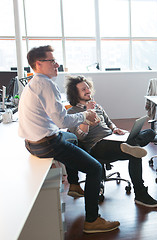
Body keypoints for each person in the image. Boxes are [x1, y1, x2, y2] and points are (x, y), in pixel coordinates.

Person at [18, 45, 120, 234]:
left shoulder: (33, 83)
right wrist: (85, 115)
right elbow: (61, 120)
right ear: (38, 64)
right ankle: (92, 220)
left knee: (72, 138)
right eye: (52, 61)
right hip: (47, 143)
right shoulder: (46, 84)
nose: (57, 64)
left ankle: (74, 184)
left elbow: (57, 122)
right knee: (95, 168)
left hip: (31, 143)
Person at [65, 75, 157, 208]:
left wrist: (116, 129)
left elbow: (109, 123)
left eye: (87, 88)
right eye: (83, 89)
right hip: (97, 146)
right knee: (134, 149)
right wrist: (88, 113)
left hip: (112, 138)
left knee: (149, 133)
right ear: (75, 94)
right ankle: (140, 194)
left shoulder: (97, 105)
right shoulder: (72, 112)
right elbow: (80, 137)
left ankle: (127, 145)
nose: (87, 91)